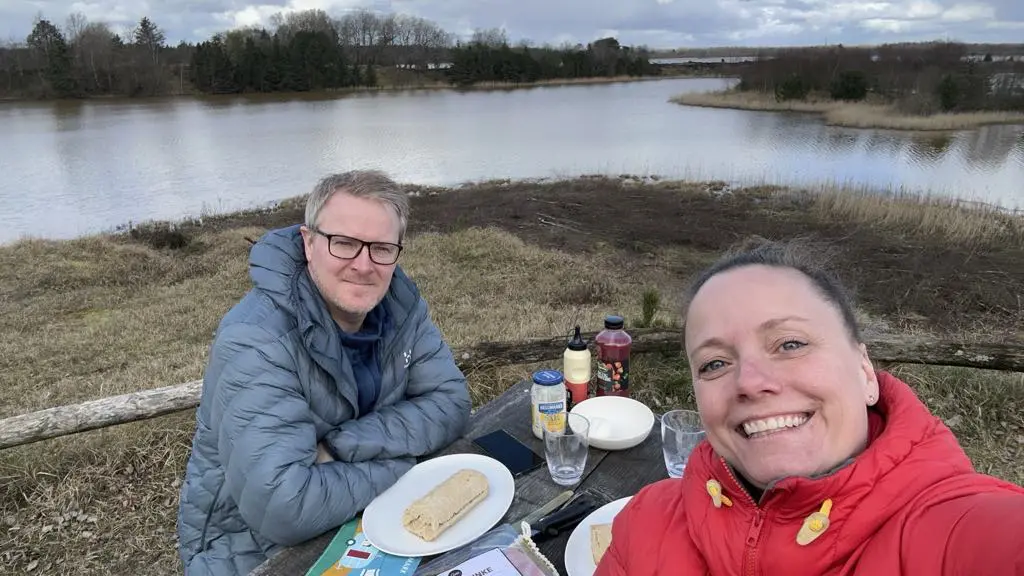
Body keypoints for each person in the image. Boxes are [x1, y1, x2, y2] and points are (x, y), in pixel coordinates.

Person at [596, 238, 1024, 575]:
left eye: (791, 344)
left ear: (865, 372)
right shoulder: (648, 520)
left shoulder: (956, 532)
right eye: (715, 363)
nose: (750, 382)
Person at [176, 170, 472, 575]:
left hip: (370, 518)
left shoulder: (402, 309)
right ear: (309, 242)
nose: (364, 265)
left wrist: (336, 448)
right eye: (344, 243)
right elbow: (284, 507)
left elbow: (450, 402)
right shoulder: (256, 340)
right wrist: (409, 464)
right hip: (252, 553)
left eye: (382, 248)